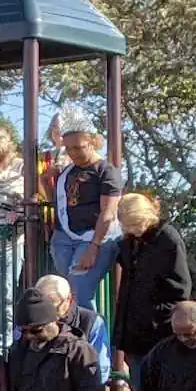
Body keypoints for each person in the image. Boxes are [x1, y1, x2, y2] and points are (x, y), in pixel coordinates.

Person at [48, 106, 123, 310]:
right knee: (65, 297)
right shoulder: (67, 171)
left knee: (79, 294)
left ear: (93, 142)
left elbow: (108, 213)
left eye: (79, 147)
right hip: (64, 238)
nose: (73, 153)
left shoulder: (106, 170)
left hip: (93, 237)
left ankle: (94, 341)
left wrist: (93, 246)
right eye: (69, 148)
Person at [113, 193, 191, 386]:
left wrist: (156, 318)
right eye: (128, 226)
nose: (132, 230)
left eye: (135, 224)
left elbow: (181, 289)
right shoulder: (129, 242)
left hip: (157, 333)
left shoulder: (168, 240)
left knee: (156, 390)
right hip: (132, 332)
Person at [34, 274, 111, 384]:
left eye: (53, 307)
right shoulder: (31, 322)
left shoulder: (92, 322)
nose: (48, 312)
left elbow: (100, 371)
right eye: (42, 306)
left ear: (69, 299)